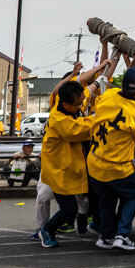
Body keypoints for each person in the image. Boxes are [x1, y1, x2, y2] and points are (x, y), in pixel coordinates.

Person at [88, 66, 135, 251]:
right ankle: (122, 235)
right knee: (134, 194)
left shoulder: (109, 95)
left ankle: (106, 237)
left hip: (95, 163)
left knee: (107, 199)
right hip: (117, 168)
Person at [39, 80, 94, 247]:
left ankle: (95, 225)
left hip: (73, 168)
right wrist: (101, 118)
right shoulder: (59, 120)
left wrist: (99, 77)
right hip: (60, 171)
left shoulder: (67, 108)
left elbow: (88, 91)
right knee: (69, 210)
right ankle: (46, 229)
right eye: (78, 104)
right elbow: (78, 132)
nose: (81, 106)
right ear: (65, 104)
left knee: (96, 196)